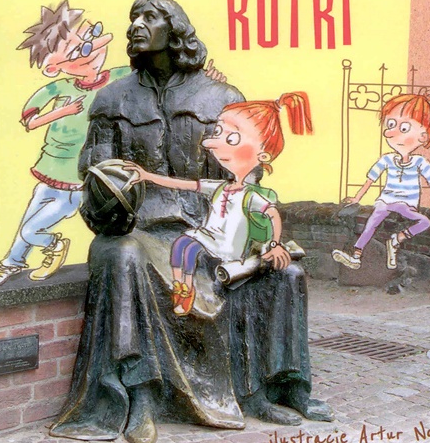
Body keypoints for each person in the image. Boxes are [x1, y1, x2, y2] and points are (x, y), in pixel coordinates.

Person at [50, 0, 332, 443]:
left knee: (286, 273)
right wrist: (107, 203)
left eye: (150, 17)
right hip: (140, 229)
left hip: (211, 227)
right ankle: (139, 395)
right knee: (121, 255)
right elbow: (95, 171)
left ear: (176, 29)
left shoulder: (222, 99)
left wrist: (258, 237)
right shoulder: (111, 99)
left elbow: (244, 177)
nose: (137, 25)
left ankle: (269, 391)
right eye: (134, 17)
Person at [0, 2, 129, 287]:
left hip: (75, 179)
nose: (93, 51)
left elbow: (154, 75)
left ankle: (55, 246)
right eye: (79, 51)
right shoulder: (59, 88)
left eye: (93, 36)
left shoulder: (117, 77)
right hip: (48, 169)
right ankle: (11, 263)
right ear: (53, 68)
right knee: (27, 221)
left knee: (32, 229)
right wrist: (62, 112)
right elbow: (30, 120)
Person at [124, 92, 312, 315]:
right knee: (181, 244)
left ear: (263, 156)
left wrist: (274, 244)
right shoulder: (220, 187)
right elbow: (184, 185)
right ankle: (182, 287)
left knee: (190, 250)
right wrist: (147, 176)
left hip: (227, 245)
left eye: (232, 139)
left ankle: (186, 287)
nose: (211, 143)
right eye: (218, 132)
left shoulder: (250, 196)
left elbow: (272, 214)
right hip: (208, 236)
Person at [332, 93, 430, 271]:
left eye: (403, 128)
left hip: (406, 204)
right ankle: (356, 255)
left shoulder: (420, 162)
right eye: (390, 125)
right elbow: (370, 180)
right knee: (372, 222)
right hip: (386, 200)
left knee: (424, 222)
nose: (390, 132)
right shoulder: (387, 160)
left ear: (423, 136)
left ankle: (396, 240)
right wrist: (357, 198)